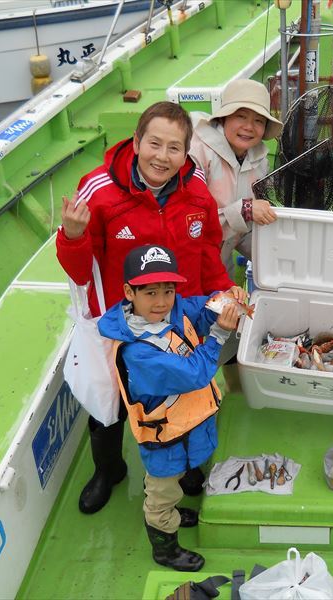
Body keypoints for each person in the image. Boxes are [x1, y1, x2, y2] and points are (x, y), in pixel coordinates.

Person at [57, 101, 244, 515]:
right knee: (111, 403)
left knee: (183, 396)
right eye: (154, 144)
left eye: (174, 148)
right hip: (119, 325)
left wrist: (224, 290)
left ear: (186, 153)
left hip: (179, 317)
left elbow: (208, 250)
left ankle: (187, 465)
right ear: (137, 141)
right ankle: (109, 469)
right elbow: (79, 271)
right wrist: (72, 236)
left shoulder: (196, 189)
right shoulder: (99, 191)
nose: (162, 156)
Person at [98, 244, 240, 571]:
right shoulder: (138, 353)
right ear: (128, 292)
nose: (161, 301)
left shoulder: (170, 311)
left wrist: (224, 300)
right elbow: (195, 374)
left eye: (168, 290)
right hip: (163, 437)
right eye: (150, 292)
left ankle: (174, 515)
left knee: (181, 476)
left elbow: (199, 311)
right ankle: (165, 548)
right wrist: (220, 333)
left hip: (187, 424)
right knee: (162, 494)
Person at [188, 78, 283, 277]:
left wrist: (279, 259)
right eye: (241, 116)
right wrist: (245, 209)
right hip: (188, 264)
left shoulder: (259, 160)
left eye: (258, 121)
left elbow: (242, 231)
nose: (249, 127)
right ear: (224, 118)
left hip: (221, 268)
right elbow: (190, 223)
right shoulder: (197, 152)